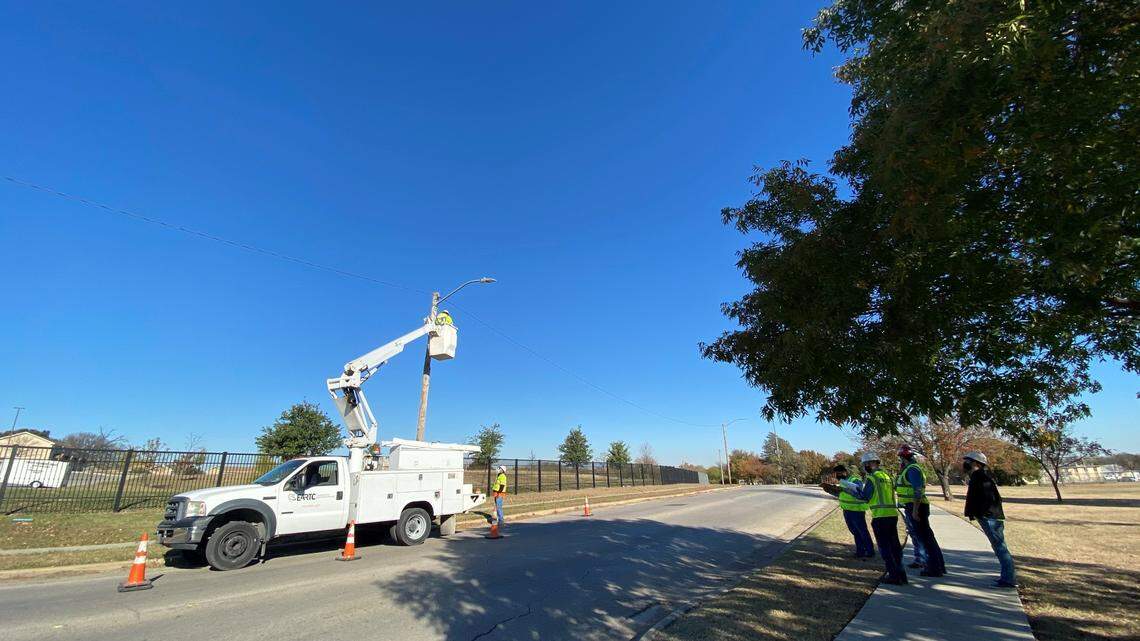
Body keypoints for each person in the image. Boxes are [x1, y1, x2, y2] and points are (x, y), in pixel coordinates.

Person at [840, 452, 907, 584]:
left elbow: (865, 496)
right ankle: (901, 574)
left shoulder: (872, 478)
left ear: (870, 463)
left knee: (885, 548)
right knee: (895, 547)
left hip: (880, 516)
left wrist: (850, 490)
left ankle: (893, 575)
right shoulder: (887, 476)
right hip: (892, 514)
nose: (865, 467)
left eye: (865, 465)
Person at [963, 451, 1017, 588]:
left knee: (1000, 547)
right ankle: (1006, 577)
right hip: (988, 516)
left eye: (968, 461)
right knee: (998, 546)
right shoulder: (978, 476)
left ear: (975, 463)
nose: (965, 464)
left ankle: (1008, 579)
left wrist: (982, 513)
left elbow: (991, 499)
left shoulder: (981, 477)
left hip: (990, 517)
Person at [895, 445, 946, 577]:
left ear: (903, 457)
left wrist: (915, 510)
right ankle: (938, 565)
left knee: (925, 538)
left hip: (916, 507)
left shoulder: (912, 469)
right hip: (913, 506)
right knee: (926, 537)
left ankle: (934, 568)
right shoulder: (910, 468)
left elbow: (917, 491)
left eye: (900, 458)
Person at [833, 464, 875, 559]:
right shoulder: (842, 481)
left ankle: (869, 551)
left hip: (857, 510)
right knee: (855, 531)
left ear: (845, 472)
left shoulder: (855, 480)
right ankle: (860, 551)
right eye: (836, 473)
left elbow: (859, 491)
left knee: (862, 531)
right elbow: (842, 494)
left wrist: (845, 489)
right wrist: (833, 490)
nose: (837, 475)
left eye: (839, 473)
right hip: (847, 510)